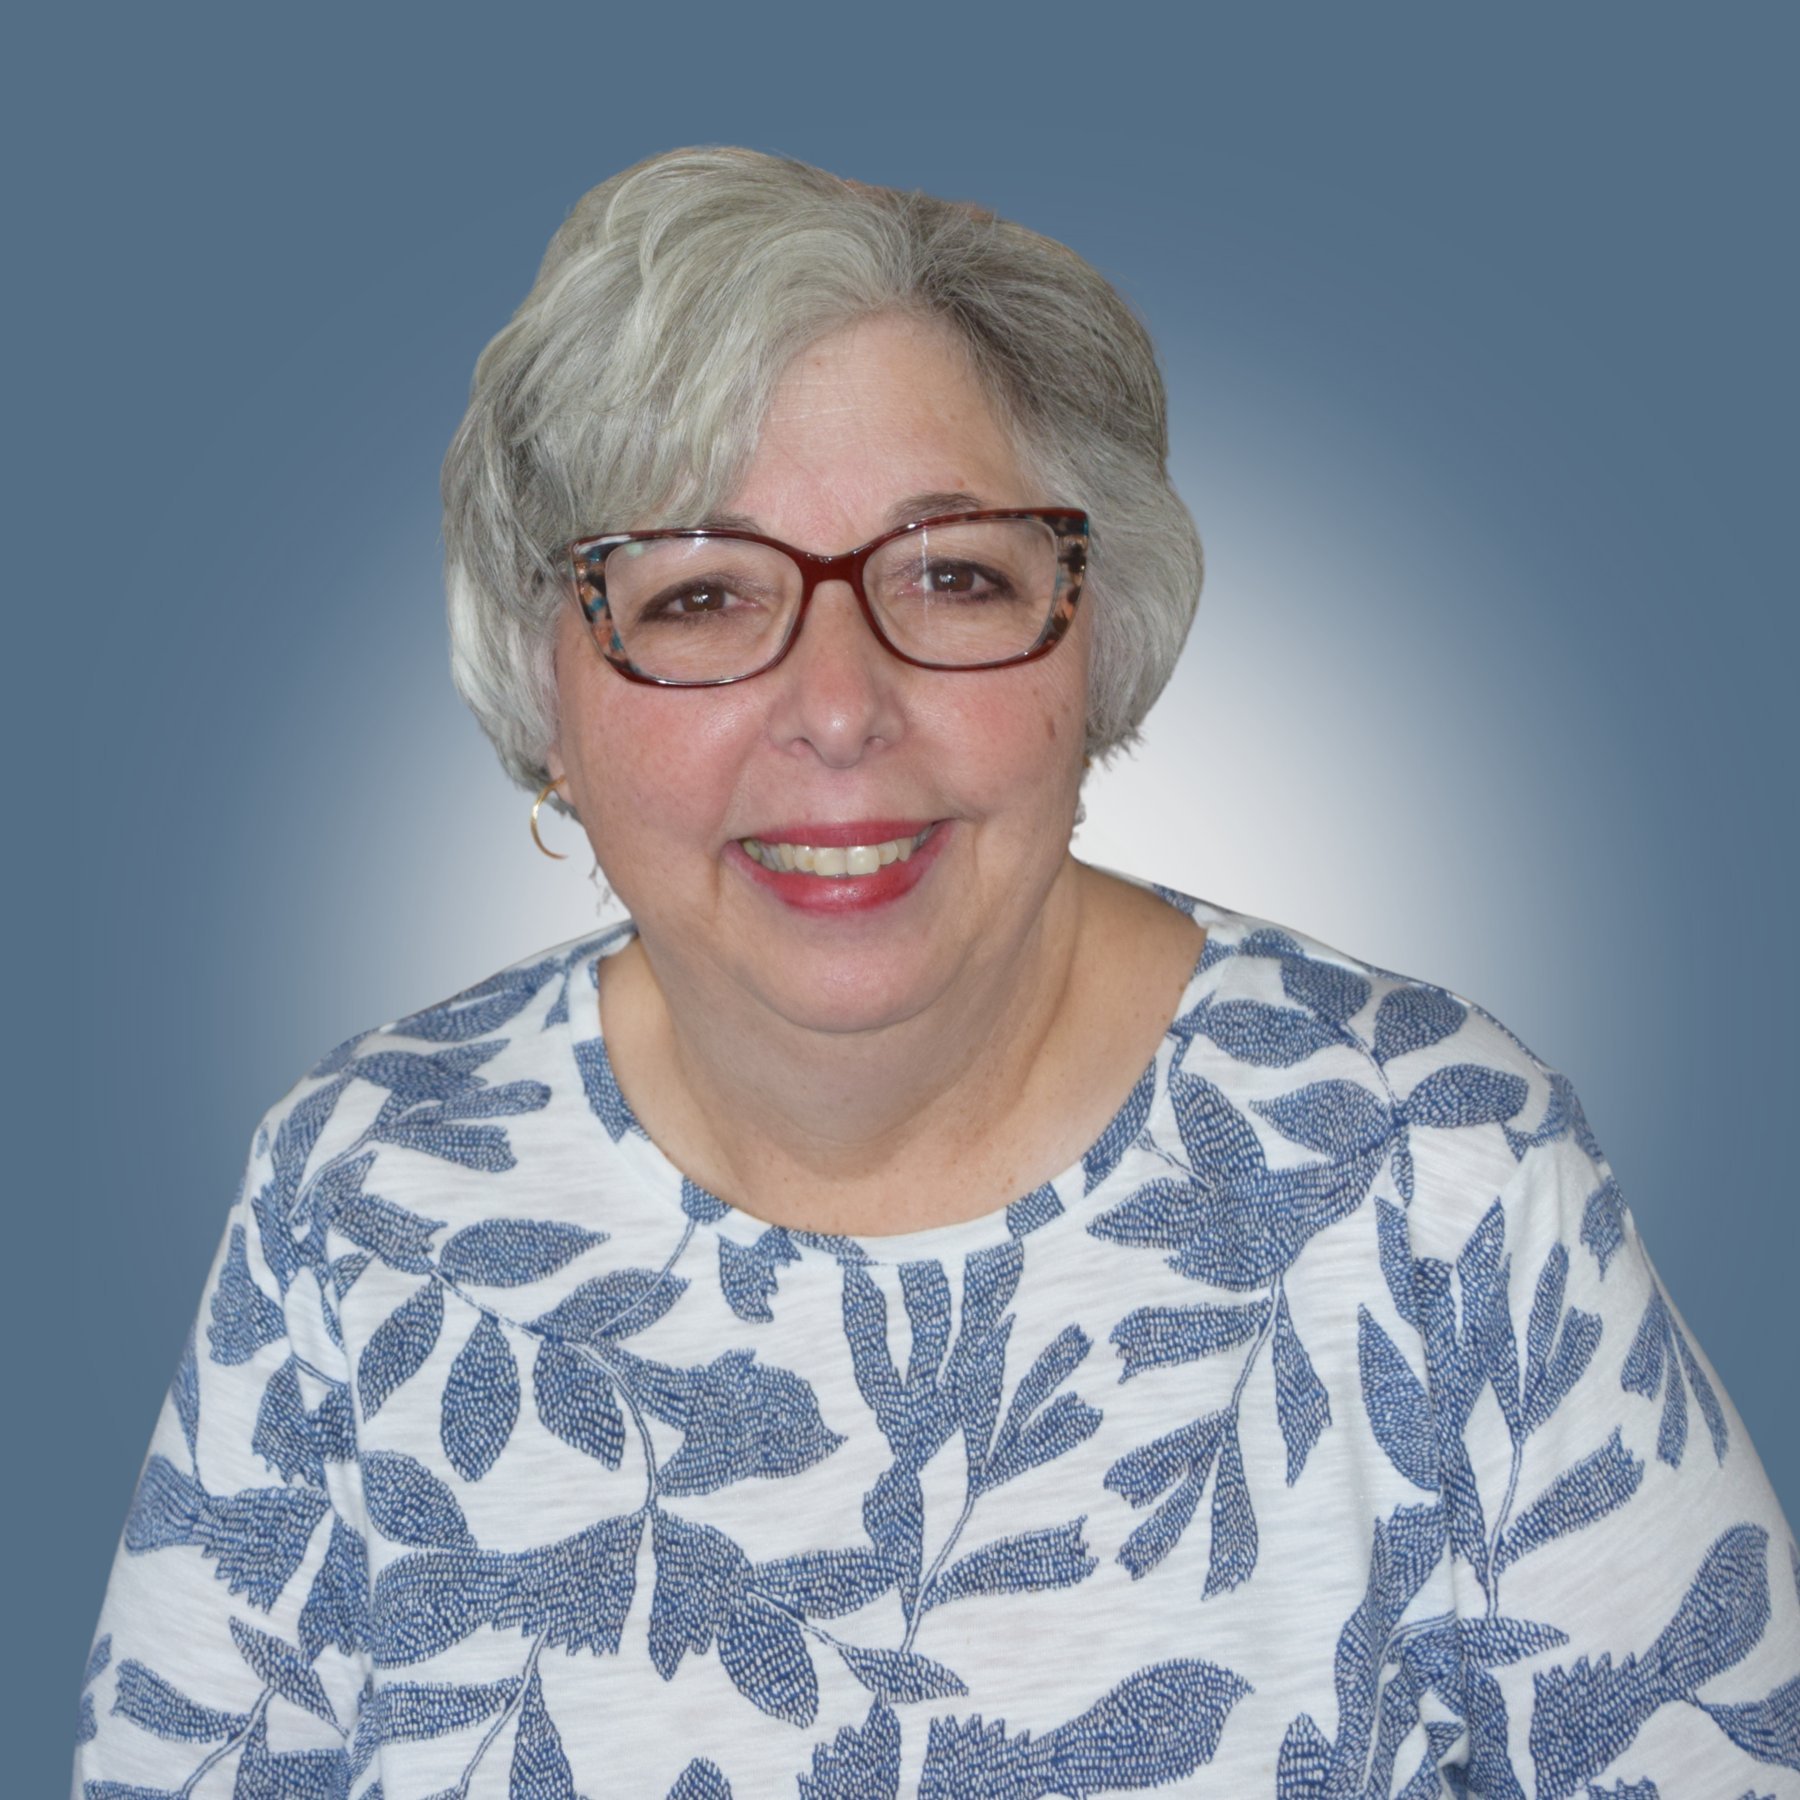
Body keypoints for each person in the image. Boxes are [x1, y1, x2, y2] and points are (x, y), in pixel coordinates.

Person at [75, 147, 1798, 1799]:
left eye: (952, 575)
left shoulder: (1435, 1174)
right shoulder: (360, 1190)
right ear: (548, 701)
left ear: (1094, 632)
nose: (838, 709)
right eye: (696, 597)